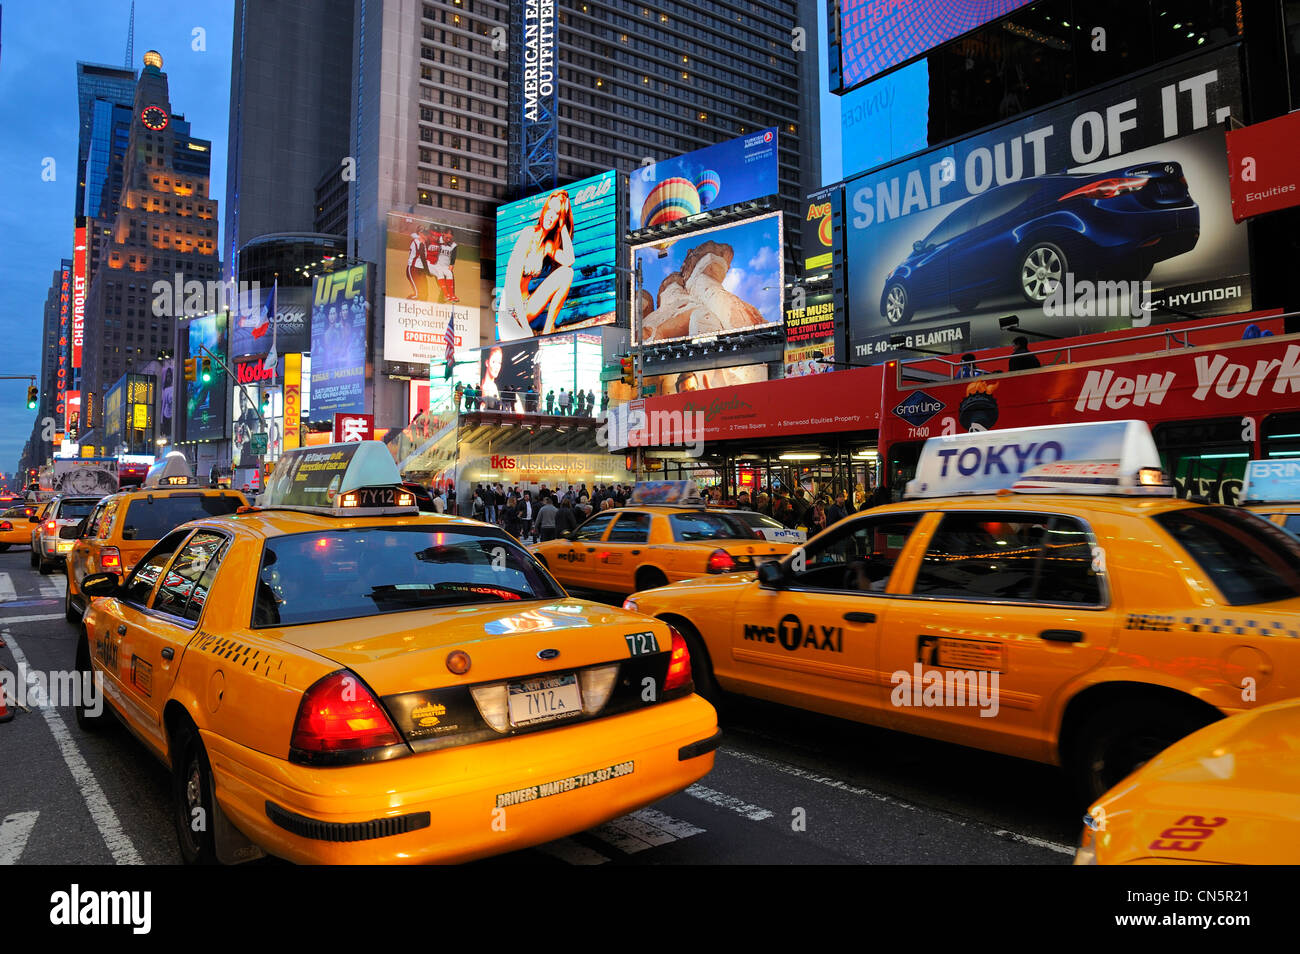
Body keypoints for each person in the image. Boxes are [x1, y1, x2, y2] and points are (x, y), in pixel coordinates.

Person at [499, 189, 575, 339]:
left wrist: (563, 225)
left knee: (567, 272)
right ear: (544, 210)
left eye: (556, 213)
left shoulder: (547, 246)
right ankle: (529, 330)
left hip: (527, 306)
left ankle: (548, 330)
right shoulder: (528, 234)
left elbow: (569, 260)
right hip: (510, 310)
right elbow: (512, 283)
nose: (550, 215)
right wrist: (526, 327)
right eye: (549, 210)